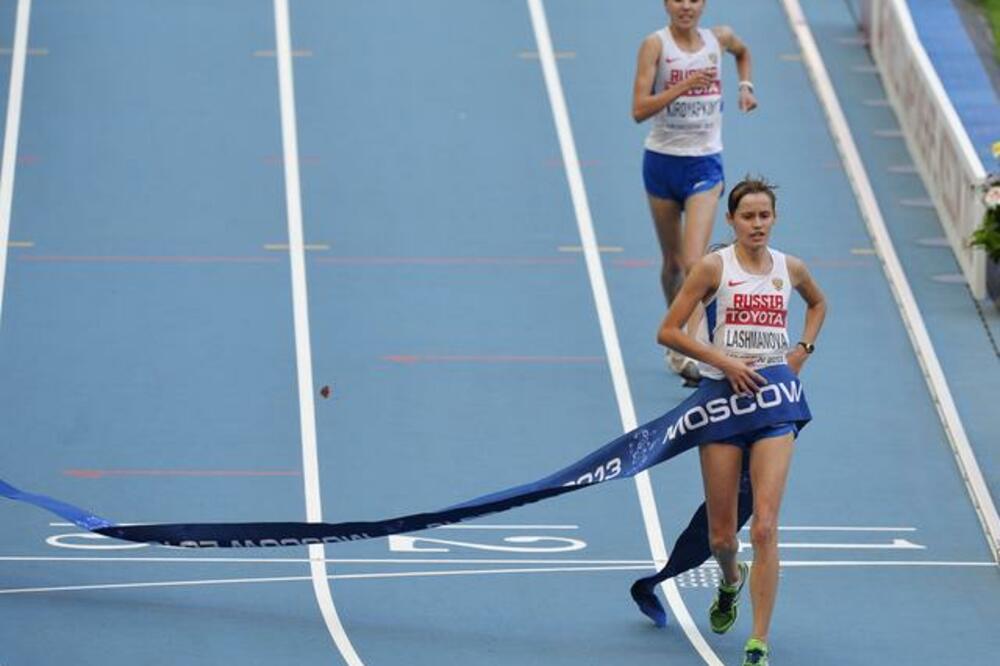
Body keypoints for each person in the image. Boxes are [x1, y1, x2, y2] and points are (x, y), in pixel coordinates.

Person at [656, 177, 827, 666]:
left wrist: (802, 351)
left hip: (774, 403)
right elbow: (667, 330)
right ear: (730, 221)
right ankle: (732, 579)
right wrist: (725, 362)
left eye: (764, 216)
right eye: (747, 216)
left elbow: (818, 303)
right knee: (722, 537)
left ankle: (758, 641)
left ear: (774, 219)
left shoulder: (789, 268)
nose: (757, 224)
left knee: (766, 528)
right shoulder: (714, 267)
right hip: (724, 402)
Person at [632, 0, 757, 385]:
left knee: (693, 262)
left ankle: (699, 348)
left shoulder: (717, 39)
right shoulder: (655, 45)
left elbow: (743, 51)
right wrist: (683, 86)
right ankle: (676, 343)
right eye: (678, 0)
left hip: (704, 164)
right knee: (671, 264)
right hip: (662, 161)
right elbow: (638, 109)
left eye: (693, 0)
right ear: (666, 5)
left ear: (702, 5)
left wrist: (745, 86)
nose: (686, 6)